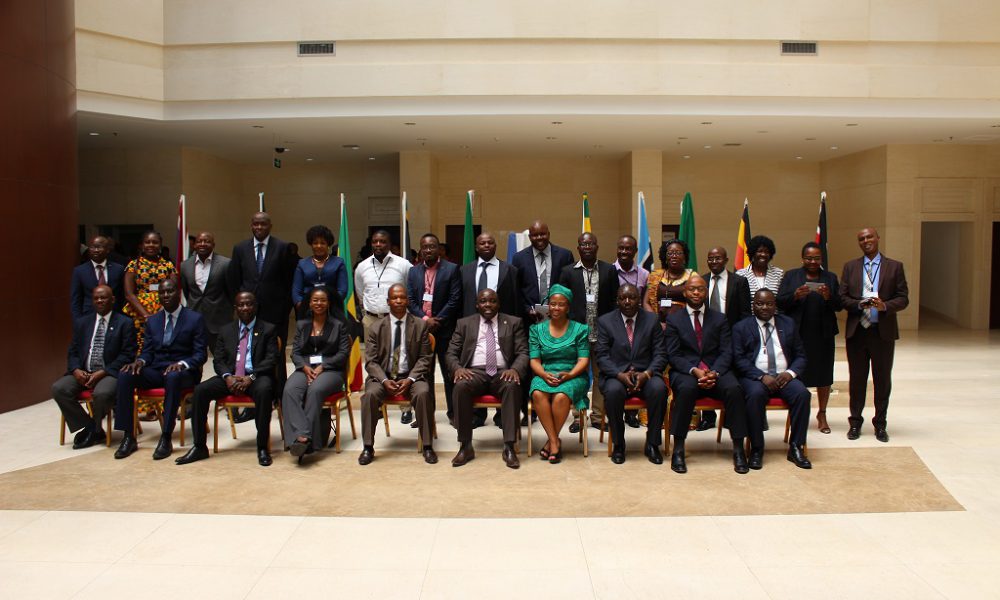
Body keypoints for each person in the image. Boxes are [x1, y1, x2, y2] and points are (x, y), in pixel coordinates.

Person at [175, 292, 280, 467]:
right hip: (230, 377)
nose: (245, 308)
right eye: (241, 305)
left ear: (256, 306)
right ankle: (199, 446)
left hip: (256, 377)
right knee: (200, 390)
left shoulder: (268, 329)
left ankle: (262, 447)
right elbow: (218, 360)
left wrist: (251, 377)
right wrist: (227, 377)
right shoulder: (226, 330)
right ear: (235, 308)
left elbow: (271, 359)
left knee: (264, 390)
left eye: (249, 304)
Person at [663, 274, 749, 474]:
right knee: (685, 390)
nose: (696, 292)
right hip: (687, 371)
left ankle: (738, 449)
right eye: (692, 289)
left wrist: (715, 372)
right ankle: (678, 448)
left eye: (700, 289)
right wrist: (695, 370)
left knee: (734, 389)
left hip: (716, 370)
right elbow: (673, 355)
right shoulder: (674, 319)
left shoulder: (719, 318)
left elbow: (727, 351)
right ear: (685, 293)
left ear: (706, 292)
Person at [113, 278, 207, 460]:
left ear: (178, 293)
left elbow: (200, 354)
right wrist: (140, 361)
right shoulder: (153, 320)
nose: (166, 295)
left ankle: (166, 436)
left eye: (170, 291)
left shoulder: (194, 319)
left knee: (173, 377)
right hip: (157, 370)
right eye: (162, 292)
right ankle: (128, 436)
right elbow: (148, 352)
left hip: (184, 373)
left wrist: (182, 364)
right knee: (126, 374)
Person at [445, 289, 528, 469]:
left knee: (512, 386)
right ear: (477, 305)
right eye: (483, 301)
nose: (488, 304)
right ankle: (465, 446)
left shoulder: (513, 322)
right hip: (474, 372)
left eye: (492, 301)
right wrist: (458, 369)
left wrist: (515, 369)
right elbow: (451, 353)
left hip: (502, 372)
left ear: (499, 304)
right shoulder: (464, 323)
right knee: (460, 386)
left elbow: (523, 352)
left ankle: (509, 446)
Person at [840, 227, 909, 442]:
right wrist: (859, 304)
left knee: (882, 380)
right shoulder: (850, 267)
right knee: (857, 380)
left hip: (882, 333)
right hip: (857, 332)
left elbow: (903, 298)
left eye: (869, 236)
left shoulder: (894, 266)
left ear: (878, 238)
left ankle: (880, 424)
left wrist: (885, 306)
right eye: (861, 238)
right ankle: (855, 423)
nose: (866, 240)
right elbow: (842, 298)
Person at [733, 289, 812, 469]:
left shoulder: (788, 323)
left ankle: (796, 447)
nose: (764, 307)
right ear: (753, 306)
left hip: (784, 377)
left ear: (775, 306)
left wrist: (790, 373)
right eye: (760, 304)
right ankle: (757, 448)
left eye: (769, 303)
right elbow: (738, 359)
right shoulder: (741, 327)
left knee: (802, 395)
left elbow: (800, 355)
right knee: (755, 395)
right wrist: (761, 376)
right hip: (755, 378)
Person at [359, 284, 437, 465]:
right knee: (369, 395)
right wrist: (384, 380)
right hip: (383, 376)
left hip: (412, 376)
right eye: (395, 298)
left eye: (402, 297)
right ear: (388, 302)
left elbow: (425, 358)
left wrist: (410, 379)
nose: (399, 300)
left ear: (407, 301)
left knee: (423, 393)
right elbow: (370, 361)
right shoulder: (376, 327)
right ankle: (368, 447)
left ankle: (427, 446)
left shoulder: (420, 325)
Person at [52, 285, 136, 449]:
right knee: (59, 388)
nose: (99, 301)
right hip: (83, 372)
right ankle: (91, 427)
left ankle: (94, 430)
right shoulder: (83, 322)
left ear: (113, 300)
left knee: (102, 393)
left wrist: (103, 372)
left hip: (109, 373)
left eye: (103, 298)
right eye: (96, 298)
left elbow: (128, 355)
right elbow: (73, 351)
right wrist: (76, 370)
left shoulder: (124, 323)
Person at [594, 284, 669, 464]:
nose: (627, 302)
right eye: (622, 298)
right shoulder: (605, 321)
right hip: (617, 375)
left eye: (632, 297)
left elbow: (661, 354)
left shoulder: (652, 320)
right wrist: (619, 375)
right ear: (617, 301)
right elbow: (602, 356)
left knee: (659, 389)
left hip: (646, 374)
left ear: (639, 300)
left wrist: (647, 374)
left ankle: (652, 443)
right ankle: (619, 444)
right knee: (613, 392)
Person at [227, 212, 295, 399]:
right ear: (251, 225)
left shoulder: (282, 248)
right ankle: (249, 395)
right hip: (248, 314)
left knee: (276, 355)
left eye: (263, 224)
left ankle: (279, 396)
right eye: (255, 224)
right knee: (249, 353)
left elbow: (290, 282)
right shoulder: (240, 248)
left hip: (275, 313)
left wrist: (284, 310)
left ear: (270, 226)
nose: (259, 227)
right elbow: (233, 280)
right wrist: (240, 308)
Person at [777, 242, 843, 434]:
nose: (813, 262)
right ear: (802, 258)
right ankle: (796, 413)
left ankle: (822, 413)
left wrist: (829, 296)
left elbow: (839, 305)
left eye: (816, 258)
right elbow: (780, 301)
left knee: (824, 376)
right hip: (797, 335)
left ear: (821, 259)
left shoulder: (830, 277)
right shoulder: (791, 276)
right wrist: (795, 295)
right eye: (809, 258)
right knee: (796, 374)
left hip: (823, 336)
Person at [459, 231, 521, 427]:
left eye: (490, 243)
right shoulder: (464, 270)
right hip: (473, 329)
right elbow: (461, 300)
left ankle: (503, 416)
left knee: (503, 372)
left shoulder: (509, 270)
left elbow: (514, 301)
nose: (486, 246)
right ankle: (477, 415)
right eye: (482, 243)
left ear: (495, 246)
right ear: (476, 247)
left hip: (502, 329)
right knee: (474, 370)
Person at [559, 232, 619, 432]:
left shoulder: (609, 270)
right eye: (583, 244)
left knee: (601, 376)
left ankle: (598, 416)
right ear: (578, 248)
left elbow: (615, 302)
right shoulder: (567, 272)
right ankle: (578, 416)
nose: (587, 247)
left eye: (591, 244)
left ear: (597, 247)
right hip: (577, 334)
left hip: (603, 333)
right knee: (578, 376)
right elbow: (562, 302)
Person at [281, 287, 350, 462]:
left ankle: (306, 440)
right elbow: (295, 352)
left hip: (331, 370)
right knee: (290, 390)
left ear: (329, 303)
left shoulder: (339, 325)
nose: (319, 303)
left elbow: (343, 353)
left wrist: (323, 366)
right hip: (305, 368)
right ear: (310, 303)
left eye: (323, 300)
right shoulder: (302, 325)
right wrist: (304, 367)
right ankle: (303, 437)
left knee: (315, 390)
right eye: (315, 300)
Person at [527, 285, 590, 464]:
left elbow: (583, 360)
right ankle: (554, 441)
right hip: (545, 372)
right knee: (537, 393)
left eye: (561, 304)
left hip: (573, 375)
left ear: (568, 307)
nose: (556, 308)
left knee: (561, 396)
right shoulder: (536, 330)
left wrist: (570, 375)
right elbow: (534, 361)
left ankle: (551, 442)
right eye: (553, 304)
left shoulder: (580, 329)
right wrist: (543, 374)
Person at [355, 229, 412, 422]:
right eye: (375, 241)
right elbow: (361, 292)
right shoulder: (362, 267)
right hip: (372, 320)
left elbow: (409, 290)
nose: (378, 245)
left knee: (398, 361)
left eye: (382, 241)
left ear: (390, 244)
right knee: (373, 360)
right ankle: (376, 402)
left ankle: (405, 406)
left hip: (396, 319)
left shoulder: (403, 265)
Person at [406, 233, 461, 424]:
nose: (428, 250)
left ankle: (454, 414)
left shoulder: (452, 269)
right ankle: (425, 414)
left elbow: (455, 299)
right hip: (421, 331)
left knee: (449, 373)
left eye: (432, 246)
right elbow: (411, 300)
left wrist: (438, 320)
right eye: (424, 247)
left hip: (445, 330)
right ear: (420, 250)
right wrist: (425, 320)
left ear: (439, 249)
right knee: (423, 374)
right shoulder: (413, 271)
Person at [696, 245, 752, 431]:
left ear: (726, 260)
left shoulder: (739, 282)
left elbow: (745, 313)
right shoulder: (702, 281)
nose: (714, 262)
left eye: (718, 258)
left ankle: (730, 417)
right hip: (706, 338)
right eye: (710, 259)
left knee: (729, 377)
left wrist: (741, 337)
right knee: (707, 372)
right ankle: (708, 417)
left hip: (732, 337)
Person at [612, 235, 650, 429]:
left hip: (638, 324)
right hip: (615, 325)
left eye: (629, 249)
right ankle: (617, 413)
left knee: (636, 361)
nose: (624, 252)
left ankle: (632, 414)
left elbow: (645, 301)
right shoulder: (609, 271)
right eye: (621, 248)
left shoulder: (644, 274)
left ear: (635, 251)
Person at [123, 231, 177, 353]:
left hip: (164, 313)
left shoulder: (168, 265)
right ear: (142, 245)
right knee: (141, 347)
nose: (151, 245)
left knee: (163, 345)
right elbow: (129, 294)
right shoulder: (134, 265)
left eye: (155, 242)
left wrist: (160, 313)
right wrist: (147, 316)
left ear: (160, 245)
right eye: (147, 242)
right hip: (139, 313)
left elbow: (174, 290)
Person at [179, 231, 233, 354]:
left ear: (213, 245)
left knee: (221, 357)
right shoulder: (185, 266)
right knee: (195, 357)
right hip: (195, 318)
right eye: (199, 241)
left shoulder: (225, 264)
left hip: (219, 320)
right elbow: (188, 292)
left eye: (207, 241)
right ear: (194, 245)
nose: (202, 244)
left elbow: (231, 291)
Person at [512, 221, 575, 323]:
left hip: (560, 318)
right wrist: (528, 310)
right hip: (530, 320)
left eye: (542, 234)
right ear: (529, 237)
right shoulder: (519, 258)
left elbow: (570, 287)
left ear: (549, 234)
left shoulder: (564, 256)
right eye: (535, 235)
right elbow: (516, 290)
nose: (539, 238)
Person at [291, 225, 348, 322]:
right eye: (315, 243)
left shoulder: (338, 263)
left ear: (328, 245)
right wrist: (303, 306)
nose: (319, 246)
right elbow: (296, 291)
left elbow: (342, 290)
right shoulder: (302, 264)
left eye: (322, 243)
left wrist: (327, 305)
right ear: (311, 244)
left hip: (333, 311)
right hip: (307, 311)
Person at [71, 236, 124, 318]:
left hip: (114, 316)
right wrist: (78, 320)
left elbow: (122, 297)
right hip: (88, 317)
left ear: (107, 250)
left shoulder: (118, 269)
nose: (96, 250)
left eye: (99, 247)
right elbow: (76, 299)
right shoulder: (79, 271)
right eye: (92, 247)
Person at [646, 239, 694, 323]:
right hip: (658, 324)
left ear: (684, 257)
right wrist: (655, 322)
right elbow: (646, 302)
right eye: (670, 253)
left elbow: (696, 303)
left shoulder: (692, 277)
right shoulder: (655, 276)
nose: (674, 256)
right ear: (665, 257)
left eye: (678, 253)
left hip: (683, 323)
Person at [737, 235, 784, 302]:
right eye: (760, 251)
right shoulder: (741, 274)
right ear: (753, 253)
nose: (763, 254)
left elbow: (781, 299)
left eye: (767, 252)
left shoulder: (778, 273)